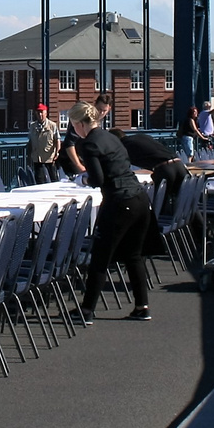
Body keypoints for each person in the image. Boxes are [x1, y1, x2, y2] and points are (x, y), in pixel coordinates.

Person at [69, 102, 154, 322]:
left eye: (73, 125)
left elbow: (97, 179)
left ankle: (87, 311)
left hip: (118, 201)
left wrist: (83, 179)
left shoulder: (88, 144)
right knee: (134, 255)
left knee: (100, 257)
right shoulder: (111, 138)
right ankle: (142, 306)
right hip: (139, 197)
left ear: (80, 124)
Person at [111, 127, 185, 216]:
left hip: (164, 169)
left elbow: (119, 168)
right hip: (178, 164)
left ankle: (159, 227)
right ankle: (199, 227)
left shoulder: (123, 147)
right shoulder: (141, 137)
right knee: (187, 202)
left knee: (158, 206)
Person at [28, 104, 61, 183]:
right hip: (37, 158)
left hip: (49, 158)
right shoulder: (33, 126)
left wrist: (57, 152)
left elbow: (58, 140)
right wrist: (29, 155)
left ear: (46, 113)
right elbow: (30, 141)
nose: (40, 114)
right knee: (39, 180)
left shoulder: (52, 125)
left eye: (42, 112)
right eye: (38, 112)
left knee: (53, 179)